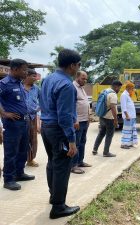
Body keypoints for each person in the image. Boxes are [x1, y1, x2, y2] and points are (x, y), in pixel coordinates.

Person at [40, 49, 81, 219]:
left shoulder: (48, 79)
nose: (79, 68)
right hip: (59, 130)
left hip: (46, 127)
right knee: (63, 167)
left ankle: (53, 196)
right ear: (72, 65)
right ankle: (58, 207)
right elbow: (64, 116)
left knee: (53, 163)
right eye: (78, 65)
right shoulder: (66, 85)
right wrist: (71, 141)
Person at [0, 59, 35, 191]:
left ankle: (19, 173)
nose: (26, 72)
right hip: (12, 124)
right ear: (14, 69)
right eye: (24, 69)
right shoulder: (5, 83)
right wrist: (4, 113)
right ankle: (8, 179)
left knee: (22, 149)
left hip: (24, 122)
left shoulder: (19, 83)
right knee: (11, 152)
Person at [92, 80, 123, 157]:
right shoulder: (113, 94)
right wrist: (116, 120)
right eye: (119, 88)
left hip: (102, 116)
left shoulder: (105, 91)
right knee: (109, 135)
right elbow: (113, 108)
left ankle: (94, 149)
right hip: (109, 118)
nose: (119, 90)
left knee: (101, 133)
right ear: (116, 87)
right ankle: (106, 152)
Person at [71, 71, 92, 174]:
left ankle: (80, 161)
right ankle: (73, 165)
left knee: (83, 142)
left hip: (84, 120)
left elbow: (85, 104)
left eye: (86, 79)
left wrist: (88, 117)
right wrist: (75, 120)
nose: (85, 80)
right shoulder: (73, 87)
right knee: (76, 143)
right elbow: (71, 105)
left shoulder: (81, 88)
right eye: (83, 78)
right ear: (77, 77)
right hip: (77, 121)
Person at [23, 69, 40, 167]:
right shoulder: (19, 87)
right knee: (21, 138)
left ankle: (30, 159)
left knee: (33, 139)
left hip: (32, 117)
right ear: (27, 76)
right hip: (20, 117)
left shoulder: (36, 88)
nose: (35, 78)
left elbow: (43, 99)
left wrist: (39, 108)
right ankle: (19, 159)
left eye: (36, 76)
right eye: (33, 76)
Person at [120, 82, 138, 149]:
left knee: (131, 130)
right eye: (132, 89)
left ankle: (129, 143)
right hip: (128, 116)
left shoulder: (128, 95)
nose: (133, 90)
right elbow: (123, 107)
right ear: (128, 88)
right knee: (127, 130)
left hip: (132, 116)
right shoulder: (124, 95)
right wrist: (127, 116)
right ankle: (124, 144)